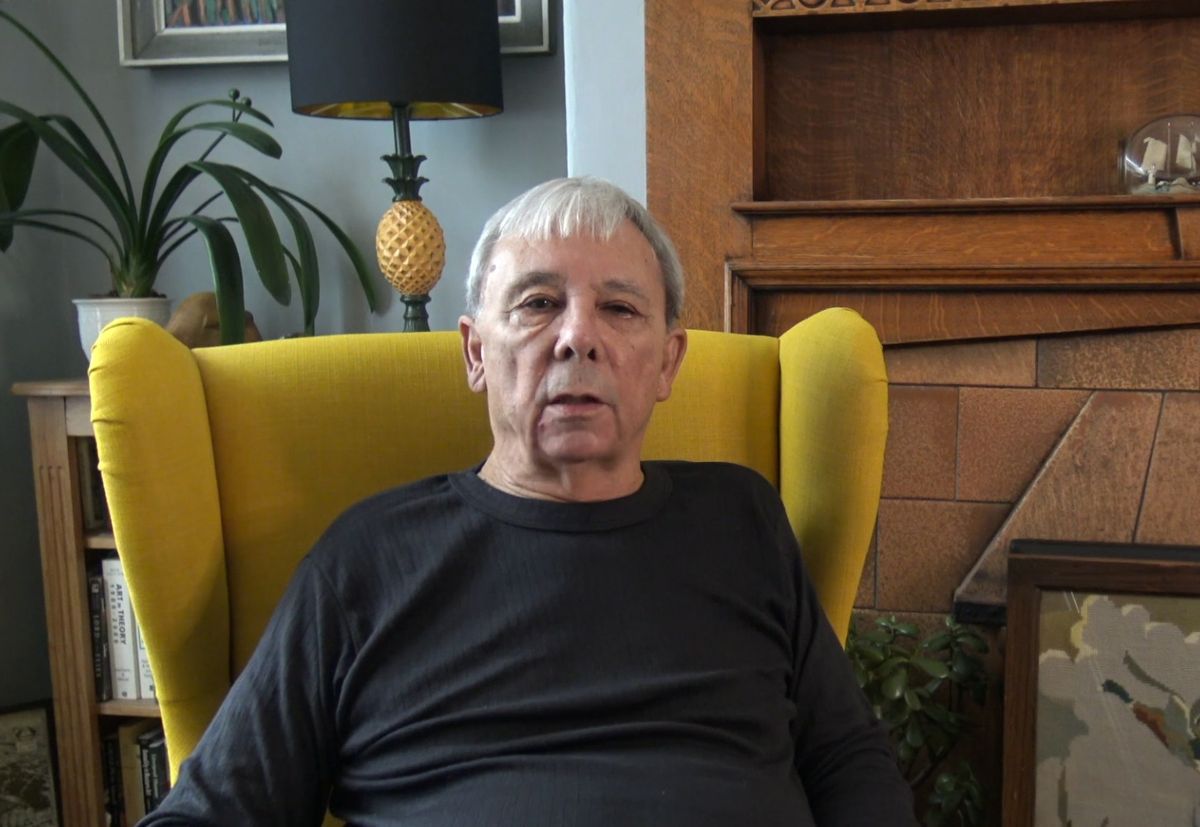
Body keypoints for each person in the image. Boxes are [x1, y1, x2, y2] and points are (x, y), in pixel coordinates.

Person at [140, 177, 915, 826]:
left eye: (620, 308)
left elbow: (847, 759)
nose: (578, 336)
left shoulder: (741, 521)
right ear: (477, 351)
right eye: (539, 303)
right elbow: (212, 809)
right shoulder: (367, 559)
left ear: (667, 362)